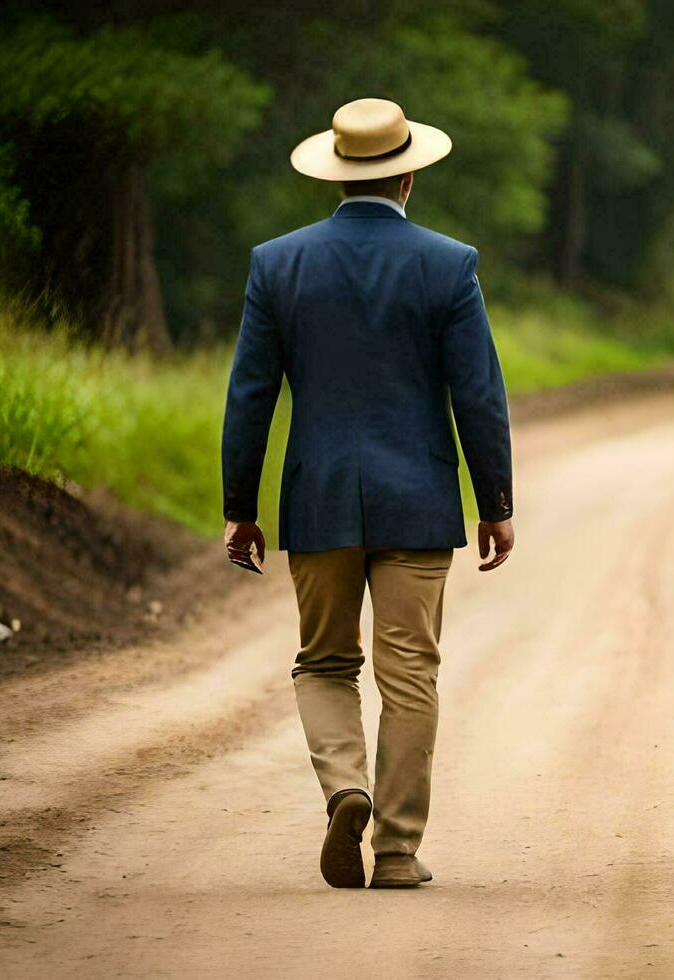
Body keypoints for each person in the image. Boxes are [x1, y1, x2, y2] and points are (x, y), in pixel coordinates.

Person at [221, 98, 514, 889]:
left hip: (316, 500)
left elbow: (251, 394)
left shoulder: (276, 263)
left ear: (337, 174)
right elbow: (477, 395)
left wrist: (240, 507)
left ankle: (345, 787)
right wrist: (496, 504)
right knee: (410, 673)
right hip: (417, 500)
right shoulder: (449, 263)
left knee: (323, 663)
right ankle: (395, 851)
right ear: (409, 173)